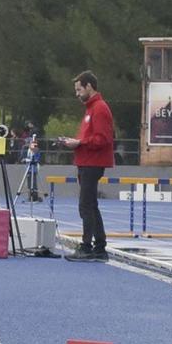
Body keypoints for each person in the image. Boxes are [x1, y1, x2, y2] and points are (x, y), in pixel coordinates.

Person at [59, 71, 114, 262]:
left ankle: (87, 247)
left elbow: (103, 139)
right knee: (91, 205)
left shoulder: (99, 108)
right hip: (87, 161)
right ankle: (99, 247)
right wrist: (76, 142)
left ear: (89, 86)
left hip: (93, 163)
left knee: (86, 206)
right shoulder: (91, 109)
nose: (77, 94)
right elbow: (93, 137)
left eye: (79, 89)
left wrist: (80, 143)